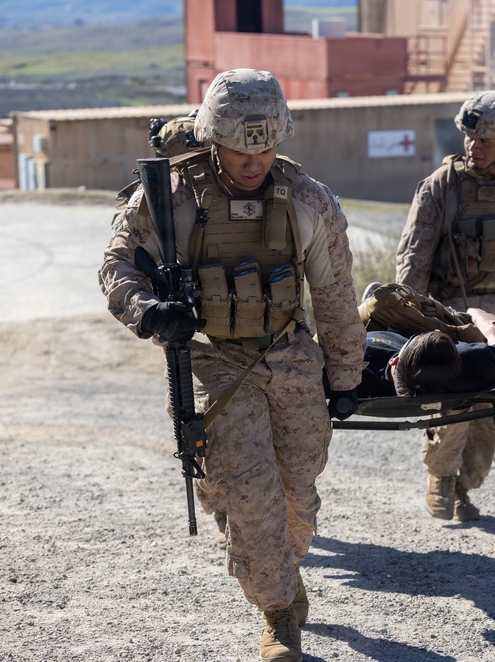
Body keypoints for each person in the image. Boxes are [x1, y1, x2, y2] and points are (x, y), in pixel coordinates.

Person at [99, 68, 366, 662]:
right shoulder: (170, 196)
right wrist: (147, 310)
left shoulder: (306, 200)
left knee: (296, 495)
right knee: (249, 489)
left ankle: (281, 573)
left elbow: (336, 296)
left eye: (266, 147)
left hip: (289, 355)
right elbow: (117, 264)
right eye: (241, 149)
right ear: (211, 138)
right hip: (211, 359)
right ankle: (277, 614)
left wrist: (347, 378)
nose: (254, 162)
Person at [395, 91, 495, 522]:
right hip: (452, 314)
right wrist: (409, 323)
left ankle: (465, 485)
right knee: (453, 404)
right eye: (469, 137)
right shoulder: (441, 186)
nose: (474, 147)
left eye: (485, 140)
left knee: (491, 412)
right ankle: (441, 476)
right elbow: (414, 258)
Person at [359, 306, 495, 399]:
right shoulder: (474, 363)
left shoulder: (355, 364)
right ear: (458, 352)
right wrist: (473, 313)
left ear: (393, 360)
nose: (434, 329)